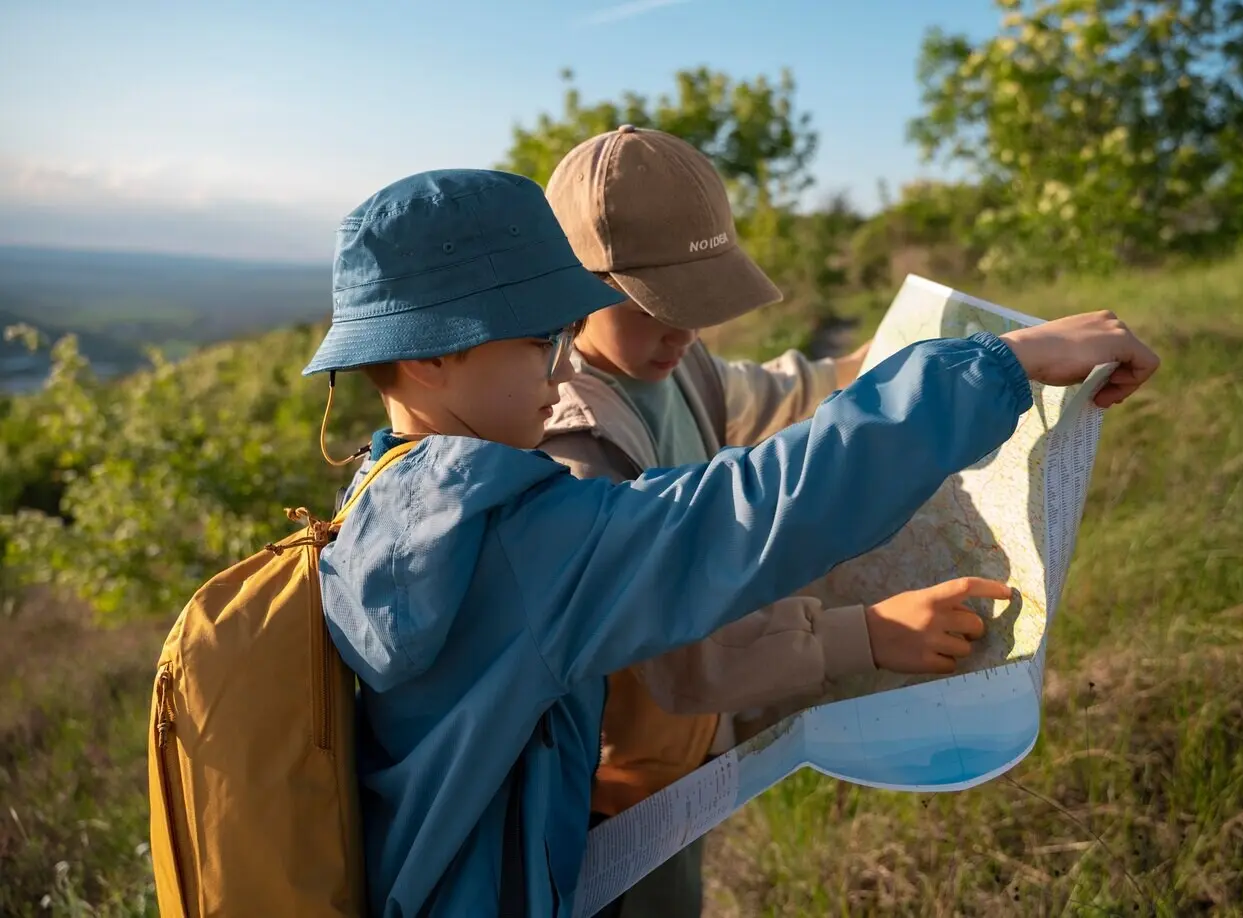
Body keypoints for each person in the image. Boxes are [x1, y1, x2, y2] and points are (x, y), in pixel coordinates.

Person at [304, 166, 1160, 917]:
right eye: (540, 342)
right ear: (428, 361)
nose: (562, 369)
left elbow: (758, 424)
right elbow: (757, 505)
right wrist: (997, 365)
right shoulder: (520, 542)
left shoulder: (397, 499)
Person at [538, 125, 1010, 918]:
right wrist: (863, 635)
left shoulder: (678, 365)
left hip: (686, 764)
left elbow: (774, 393)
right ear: (575, 287)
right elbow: (673, 651)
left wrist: (889, 359)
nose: (683, 331)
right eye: (658, 308)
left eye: (699, 305)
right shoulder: (570, 443)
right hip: (613, 795)